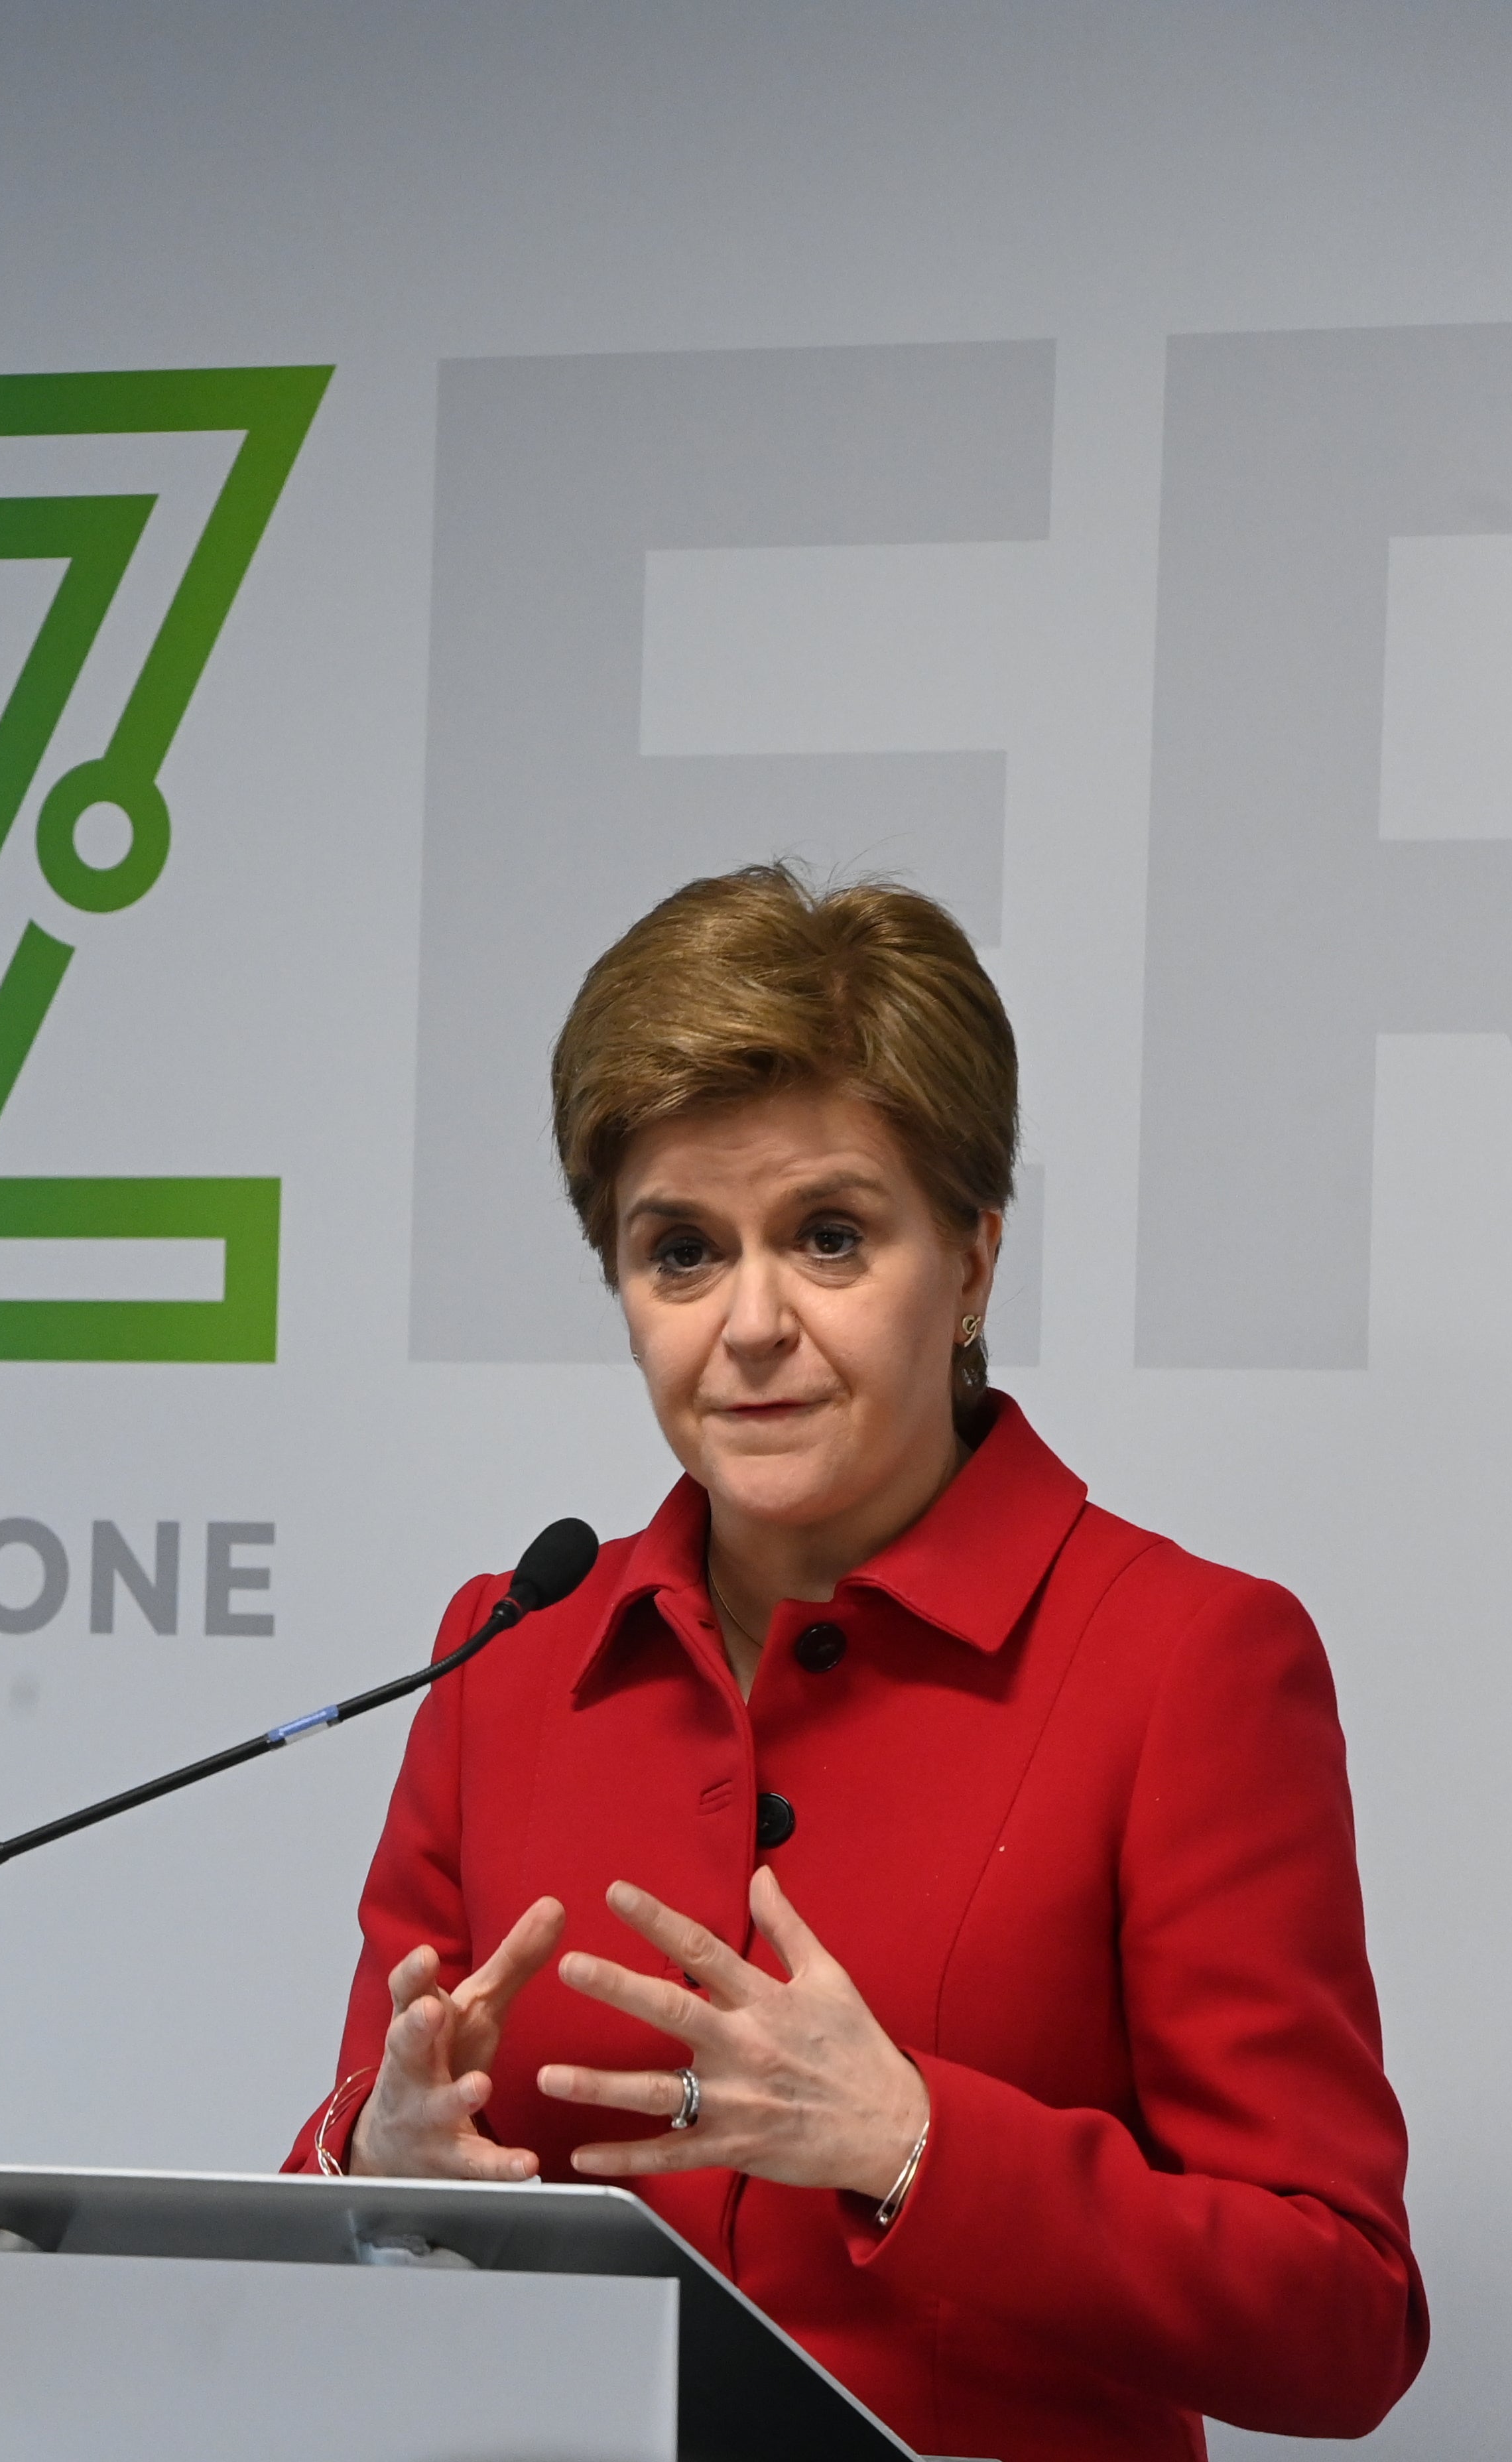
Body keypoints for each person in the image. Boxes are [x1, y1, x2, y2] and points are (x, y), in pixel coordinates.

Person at [286, 866, 1424, 2462]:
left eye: (829, 1236)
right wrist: (370, 2165)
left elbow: (1344, 2318)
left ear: (970, 1260)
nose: (748, 1323)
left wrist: (917, 2145)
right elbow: (322, 2216)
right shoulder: (512, 1651)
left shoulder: (1187, 1662)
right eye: (679, 1251)